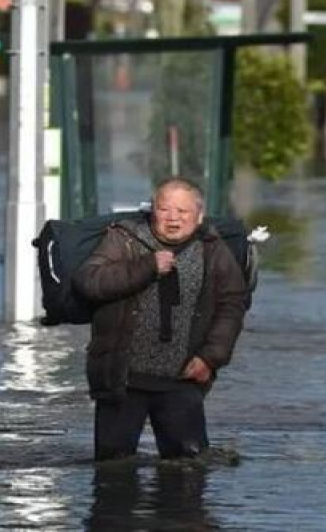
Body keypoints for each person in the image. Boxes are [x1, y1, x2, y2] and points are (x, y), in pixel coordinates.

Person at [72, 177, 248, 461]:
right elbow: (90, 282)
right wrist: (147, 267)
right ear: (153, 210)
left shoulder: (212, 248)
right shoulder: (123, 239)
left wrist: (211, 358)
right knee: (113, 472)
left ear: (199, 216)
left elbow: (232, 304)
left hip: (183, 379)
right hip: (122, 380)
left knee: (188, 469)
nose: (173, 218)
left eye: (183, 211)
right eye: (165, 209)